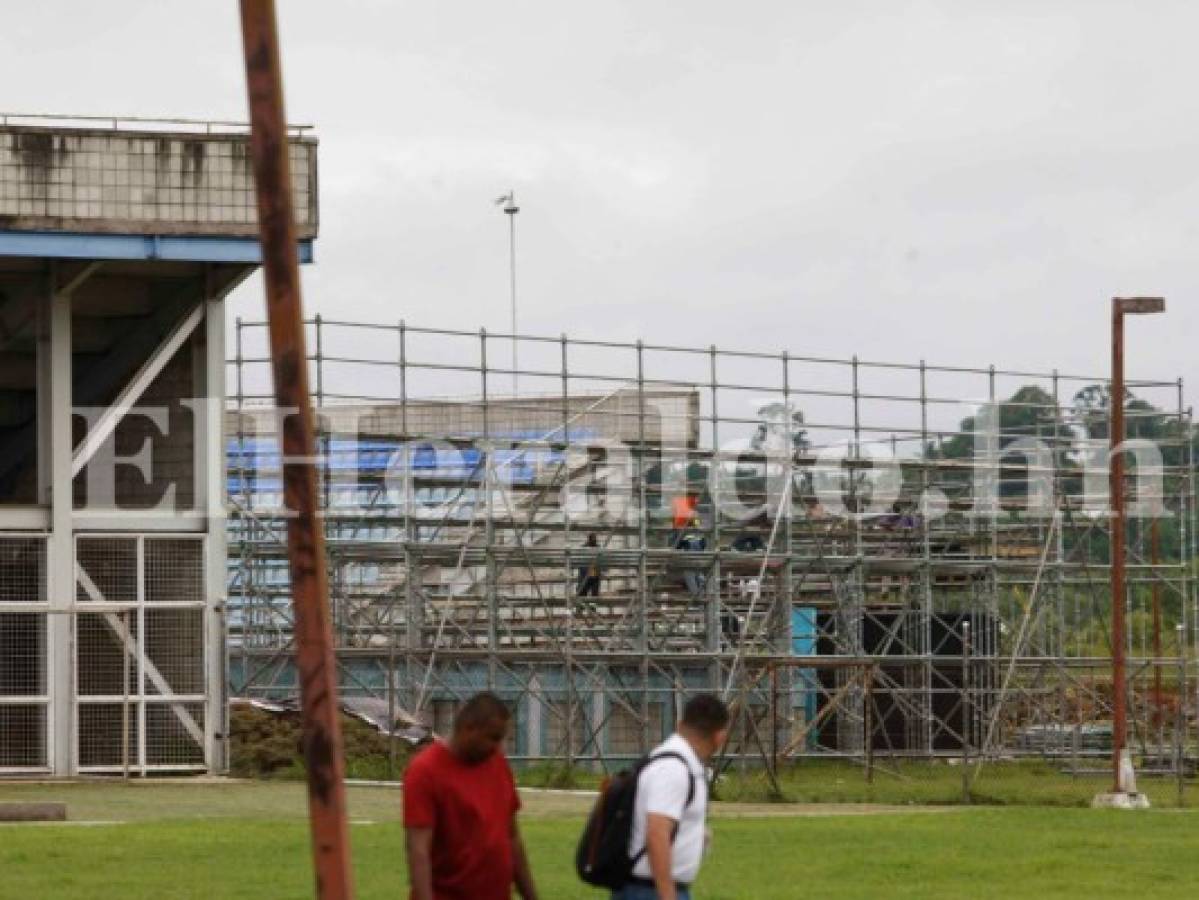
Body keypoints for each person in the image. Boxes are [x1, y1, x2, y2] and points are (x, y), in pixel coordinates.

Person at [404, 692, 539, 900]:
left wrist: (531, 895)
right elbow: (418, 851)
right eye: (493, 737)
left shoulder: (497, 763)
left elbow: (511, 836)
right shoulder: (425, 771)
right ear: (468, 728)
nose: (498, 746)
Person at [615, 693, 731, 900]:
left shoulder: (678, 762)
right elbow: (657, 833)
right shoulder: (674, 768)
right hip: (650, 892)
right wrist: (668, 896)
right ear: (720, 737)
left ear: (679, 725)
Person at [577, 532, 603, 598]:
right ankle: (582, 606)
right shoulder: (583, 548)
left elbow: (601, 561)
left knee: (594, 592)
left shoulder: (598, 548)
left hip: (594, 574)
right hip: (585, 573)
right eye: (593, 539)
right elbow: (580, 562)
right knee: (583, 591)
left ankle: (593, 606)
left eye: (595, 539)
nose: (594, 541)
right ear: (589, 539)